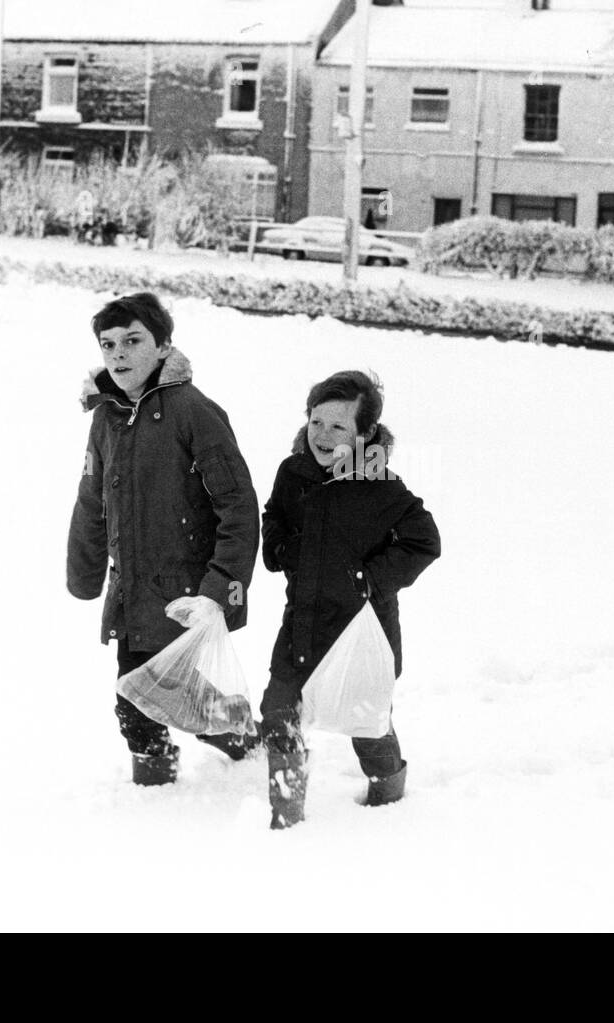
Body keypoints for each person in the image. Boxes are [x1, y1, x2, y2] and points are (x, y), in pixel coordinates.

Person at [67, 292, 260, 786]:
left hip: (185, 593)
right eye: (108, 345)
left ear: (163, 347)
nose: (118, 354)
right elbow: (93, 497)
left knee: (154, 695)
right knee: (145, 699)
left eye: (133, 341)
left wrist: (219, 590)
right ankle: (163, 780)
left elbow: (237, 507)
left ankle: (235, 745)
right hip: (130, 586)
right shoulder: (107, 415)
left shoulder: (193, 411)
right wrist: (84, 573)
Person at [260, 370, 441, 829]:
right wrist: (280, 549)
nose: (322, 435)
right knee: (278, 715)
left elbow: (424, 541)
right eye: (316, 422)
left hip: (361, 631)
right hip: (302, 623)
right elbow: (274, 516)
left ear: (364, 434)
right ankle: (286, 815)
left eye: (338, 427)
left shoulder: (382, 488)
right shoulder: (294, 472)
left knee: (367, 726)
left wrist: (369, 578)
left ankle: (389, 796)